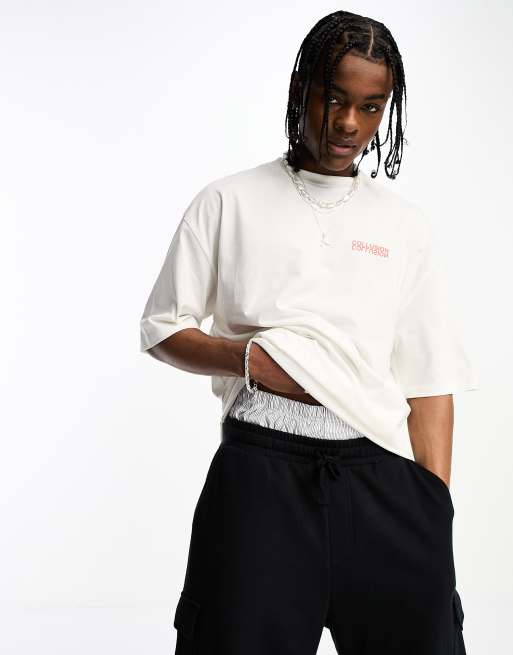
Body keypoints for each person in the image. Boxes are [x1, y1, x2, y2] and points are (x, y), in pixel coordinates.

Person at [139, 10, 476, 655]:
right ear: (303, 90)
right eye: (334, 98)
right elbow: (161, 327)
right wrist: (247, 359)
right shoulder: (228, 201)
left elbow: (429, 376)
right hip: (260, 477)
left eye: (371, 107)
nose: (349, 123)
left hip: (382, 482)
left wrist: (432, 507)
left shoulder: (404, 226)